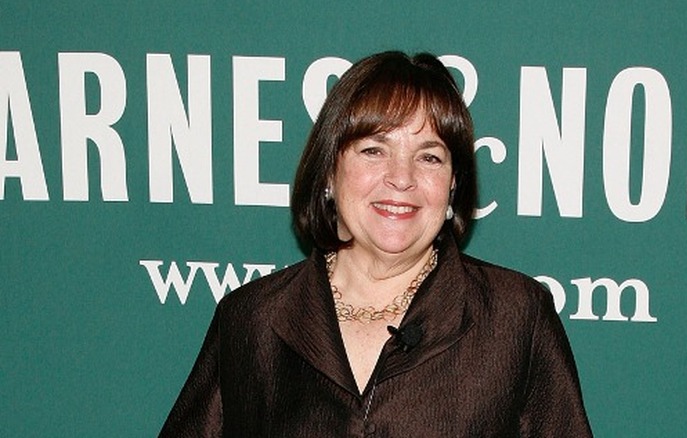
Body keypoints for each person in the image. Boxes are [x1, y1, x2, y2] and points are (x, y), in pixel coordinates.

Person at [160, 51, 592, 437]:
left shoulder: (516, 317)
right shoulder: (251, 320)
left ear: (453, 184)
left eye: (429, 157)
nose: (401, 177)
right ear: (330, 172)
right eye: (373, 150)